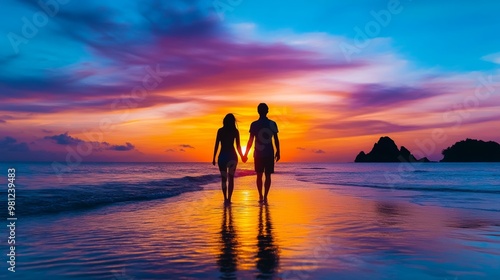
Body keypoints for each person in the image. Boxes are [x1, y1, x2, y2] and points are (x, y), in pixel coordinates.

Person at [244, 103, 280, 202]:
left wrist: (245, 154)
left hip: (259, 154)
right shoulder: (272, 123)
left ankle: (260, 195)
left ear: (258, 111)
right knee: (267, 175)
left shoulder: (254, 124)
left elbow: (250, 141)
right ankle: (265, 196)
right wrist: (278, 151)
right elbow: (276, 139)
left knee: (259, 175)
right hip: (269, 153)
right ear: (267, 111)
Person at [213, 113, 247, 204]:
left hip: (223, 156)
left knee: (224, 178)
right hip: (232, 156)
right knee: (231, 178)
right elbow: (238, 146)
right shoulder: (235, 131)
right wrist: (242, 156)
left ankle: (225, 199)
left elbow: (217, 144)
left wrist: (214, 157)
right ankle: (229, 199)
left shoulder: (220, 131)